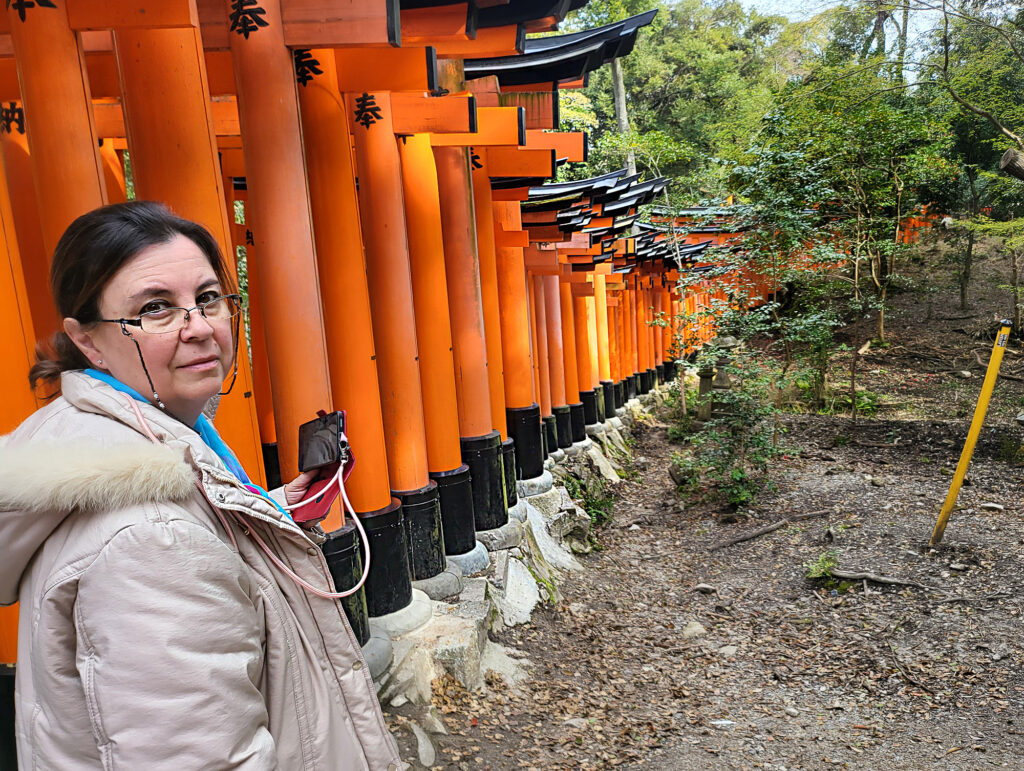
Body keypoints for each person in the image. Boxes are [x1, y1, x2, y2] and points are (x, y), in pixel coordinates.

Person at [0, 201, 406, 770]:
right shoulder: (153, 541)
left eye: (209, 298)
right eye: (157, 308)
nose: (200, 328)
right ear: (88, 341)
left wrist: (270, 506)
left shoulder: (107, 446)